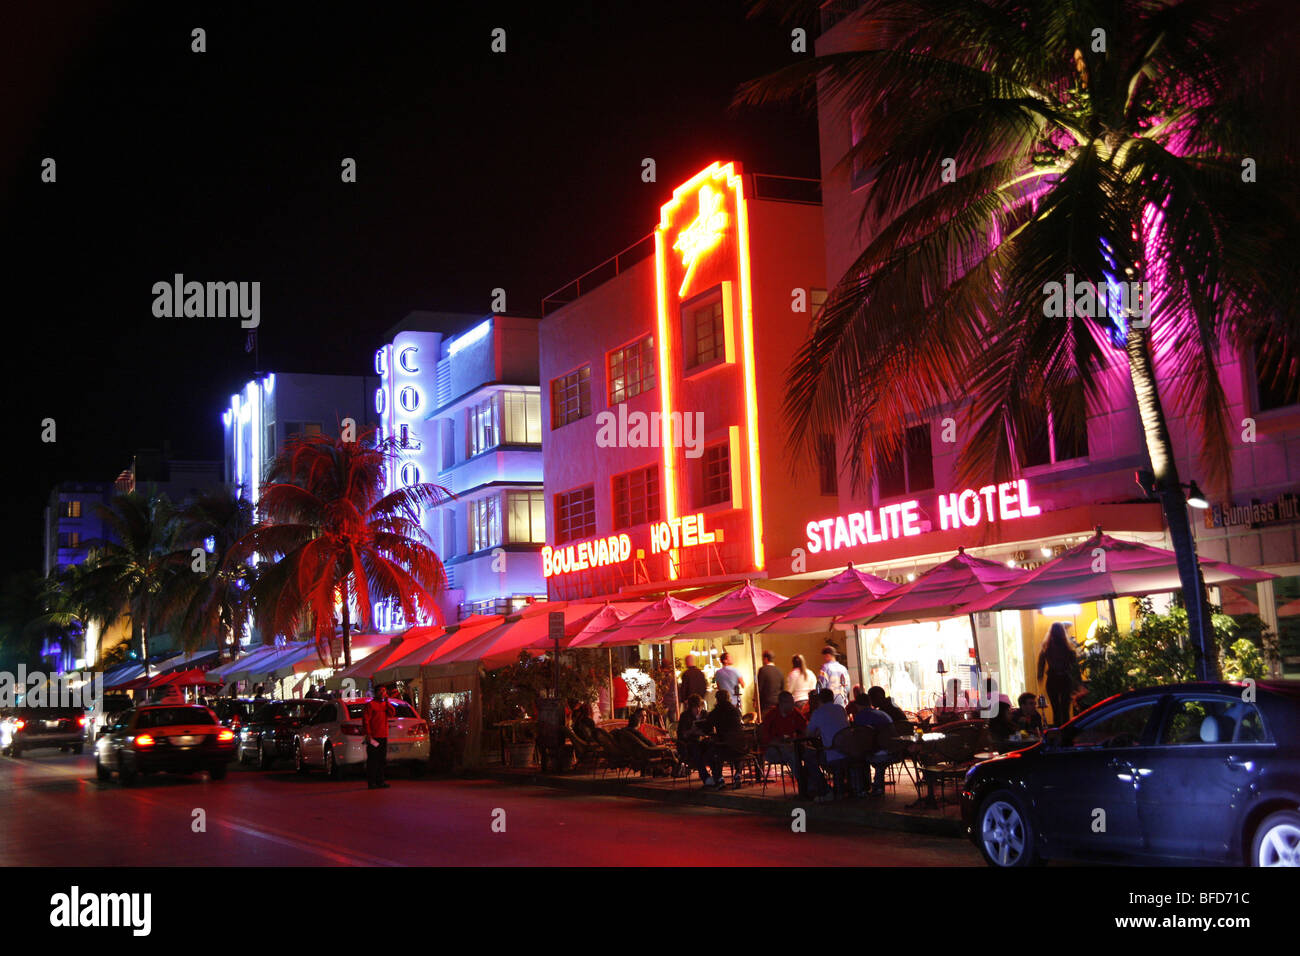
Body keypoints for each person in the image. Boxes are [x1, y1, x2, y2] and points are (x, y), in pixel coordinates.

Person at [760, 691, 809, 797]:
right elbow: (765, 739)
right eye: (790, 702)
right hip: (772, 750)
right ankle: (803, 784)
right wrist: (780, 742)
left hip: (790, 746)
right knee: (792, 754)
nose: (793, 704)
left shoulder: (794, 713)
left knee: (808, 753)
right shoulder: (771, 716)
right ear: (782, 703)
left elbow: (805, 728)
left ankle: (812, 783)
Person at [804, 688, 850, 800]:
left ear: (819, 699)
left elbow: (808, 733)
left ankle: (824, 789)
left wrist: (818, 730)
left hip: (831, 753)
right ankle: (838, 789)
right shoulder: (840, 709)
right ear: (832, 698)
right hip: (848, 751)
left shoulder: (818, 712)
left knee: (808, 757)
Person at [1037, 622, 1080, 726]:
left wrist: (1040, 677)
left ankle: (1057, 732)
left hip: (1052, 679)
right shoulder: (1068, 648)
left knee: (1056, 710)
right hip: (1065, 679)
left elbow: (1041, 664)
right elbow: (1075, 667)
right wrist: (1079, 683)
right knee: (1065, 709)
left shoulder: (1046, 648)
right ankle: (1066, 732)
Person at [617, 708, 682, 775]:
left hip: (644, 751)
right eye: (641, 716)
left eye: (645, 716)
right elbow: (648, 743)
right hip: (647, 752)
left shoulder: (626, 731)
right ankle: (676, 771)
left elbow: (646, 741)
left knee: (673, 751)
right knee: (675, 752)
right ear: (636, 718)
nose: (643, 718)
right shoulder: (636, 732)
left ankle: (662, 770)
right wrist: (661, 746)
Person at [702, 690, 747, 788]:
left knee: (711, 752)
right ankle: (738, 774)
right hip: (741, 746)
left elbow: (707, 728)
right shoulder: (735, 710)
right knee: (737, 752)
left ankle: (719, 778)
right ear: (728, 698)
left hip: (725, 746)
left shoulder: (716, 712)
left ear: (717, 699)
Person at [852, 695, 895, 797]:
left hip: (875, 751)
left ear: (858, 705)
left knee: (856, 758)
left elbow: (858, 737)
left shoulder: (860, 717)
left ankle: (861, 788)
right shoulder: (883, 714)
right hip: (892, 749)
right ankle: (877, 786)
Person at [363, 685, 396, 790]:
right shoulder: (371, 705)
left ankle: (380, 780)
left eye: (384, 691)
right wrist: (368, 733)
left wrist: (387, 702)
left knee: (382, 759)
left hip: (383, 735)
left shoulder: (385, 704)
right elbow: (366, 720)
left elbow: (392, 713)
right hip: (373, 736)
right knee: (373, 759)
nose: (383, 693)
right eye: (381, 691)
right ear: (376, 693)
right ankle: (371, 782)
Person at [677, 694, 709, 782]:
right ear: (690, 708)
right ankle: (705, 777)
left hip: (702, 741)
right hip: (688, 744)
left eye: (699, 707)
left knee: (713, 747)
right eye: (695, 708)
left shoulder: (704, 714)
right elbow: (682, 734)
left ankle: (718, 777)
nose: (698, 710)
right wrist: (692, 731)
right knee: (695, 749)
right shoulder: (685, 716)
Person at [755, 651, 784, 715]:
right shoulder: (780, 671)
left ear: (766, 659)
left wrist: (755, 701)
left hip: (766, 704)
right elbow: (782, 688)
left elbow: (759, 688)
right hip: (777, 703)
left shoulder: (763, 670)